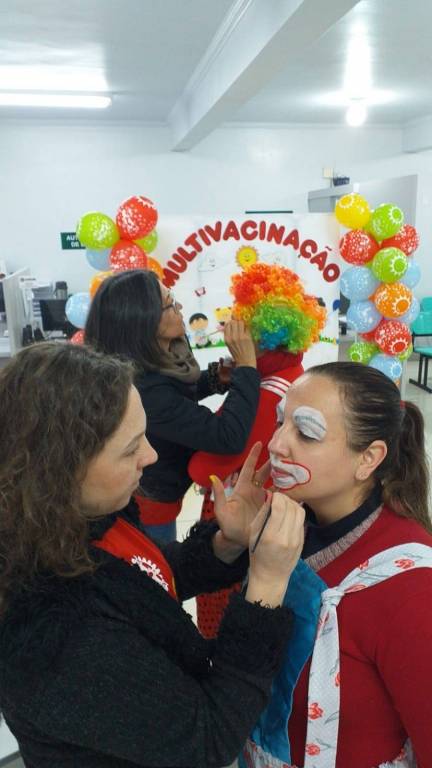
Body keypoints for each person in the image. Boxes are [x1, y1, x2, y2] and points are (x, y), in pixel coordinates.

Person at [0, 341, 306, 768]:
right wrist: (266, 587)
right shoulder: (51, 634)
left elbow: (140, 583)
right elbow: (208, 738)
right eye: (130, 449)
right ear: (60, 468)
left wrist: (227, 543)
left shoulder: (83, 519)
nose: (152, 455)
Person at [211, 361, 432, 768]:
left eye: (306, 433)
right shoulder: (284, 527)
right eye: (281, 422)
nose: (276, 444)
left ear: (368, 458)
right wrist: (239, 543)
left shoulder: (413, 588)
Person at [189, 261, 326, 638]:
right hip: (270, 512)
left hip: (240, 514)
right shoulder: (293, 377)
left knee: (223, 608)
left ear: (261, 340)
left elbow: (203, 468)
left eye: (244, 333)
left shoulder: (266, 394)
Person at [84, 269, 261, 543]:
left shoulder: (161, 360)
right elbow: (228, 436)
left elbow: (177, 394)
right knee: (161, 559)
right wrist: (247, 366)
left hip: (166, 495)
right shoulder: (143, 389)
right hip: (149, 507)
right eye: (169, 304)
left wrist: (216, 378)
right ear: (143, 322)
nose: (179, 308)